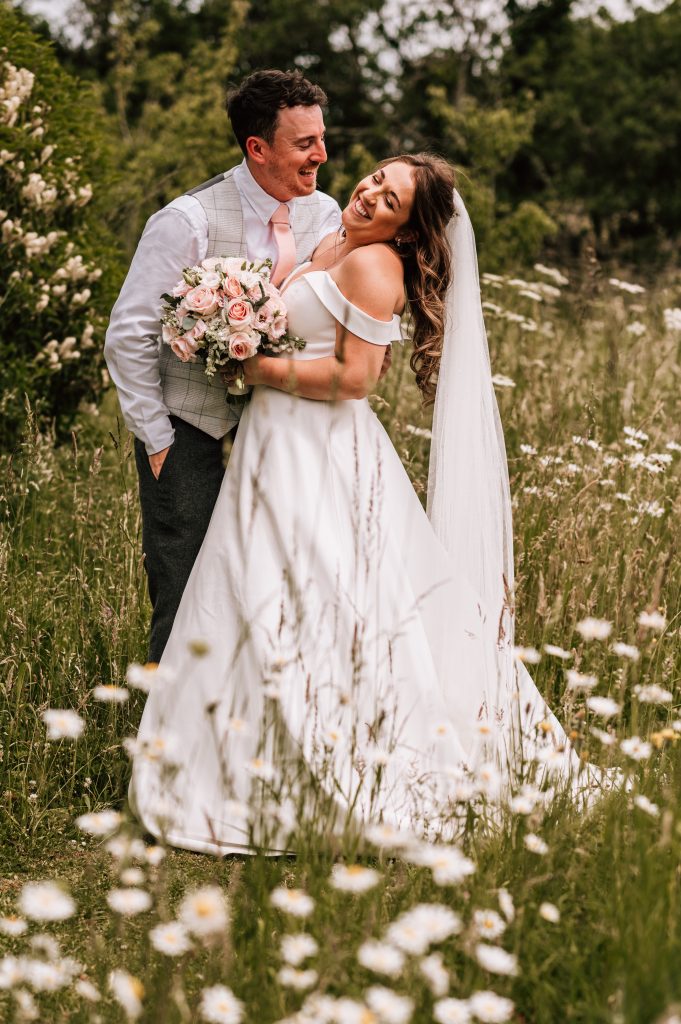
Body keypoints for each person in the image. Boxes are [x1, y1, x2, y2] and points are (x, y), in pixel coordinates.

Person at [128, 154, 609, 856]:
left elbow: (357, 377)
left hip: (317, 449)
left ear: (408, 232)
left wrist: (253, 365)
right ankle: (244, 760)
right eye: (377, 179)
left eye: (391, 201)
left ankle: (339, 764)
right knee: (254, 587)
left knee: (320, 592)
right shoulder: (330, 241)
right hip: (273, 442)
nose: (370, 193)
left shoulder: (374, 265)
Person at [104, 70, 342, 663]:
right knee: (184, 588)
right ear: (257, 148)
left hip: (285, 424)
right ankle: (166, 738)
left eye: (320, 137)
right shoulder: (188, 220)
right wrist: (157, 437)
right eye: (304, 143)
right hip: (189, 423)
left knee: (281, 575)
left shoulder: (328, 214)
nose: (322, 153)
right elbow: (129, 334)